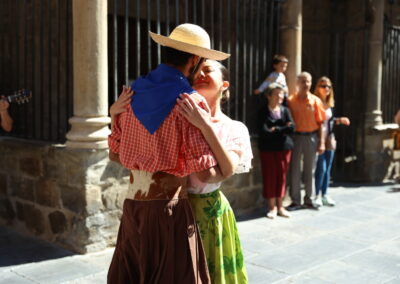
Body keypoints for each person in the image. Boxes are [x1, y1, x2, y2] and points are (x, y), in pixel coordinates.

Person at [107, 23, 230, 284]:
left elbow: (115, 155)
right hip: (168, 211)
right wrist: (225, 168)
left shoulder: (131, 92)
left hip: (132, 208)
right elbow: (206, 174)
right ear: (195, 59)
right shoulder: (189, 101)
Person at [176, 60, 252, 283]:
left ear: (224, 84)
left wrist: (205, 125)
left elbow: (221, 173)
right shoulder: (177, 118)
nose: (199, 74)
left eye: (207, 70)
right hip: (174, 209)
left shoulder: (234, 128)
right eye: (195, 71)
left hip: (210, 213)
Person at [286, 72, 326, 211]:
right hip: (296, 137)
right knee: (295, 169)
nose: (306, 84)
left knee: (310, 169)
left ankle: (309, 199)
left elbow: (321, 123)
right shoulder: (291, 101)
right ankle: (295, 200)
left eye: (308, 81)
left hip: (311, 137)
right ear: (297, 83)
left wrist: (321, 142)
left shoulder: (316, 101)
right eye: (303, 81)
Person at [257, 83, 294, 219]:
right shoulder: (262, 112)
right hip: (268, 149)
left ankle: (281, 206)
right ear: (268, 96)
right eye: (277, 93)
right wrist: (283, 127)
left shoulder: (285, 110)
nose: (280, 96)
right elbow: (264, 131)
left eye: (282, 93)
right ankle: (271, 207)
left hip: (284, 149)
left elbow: (292, 128)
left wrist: (276, 129)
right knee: (270, 177)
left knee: (282, 177)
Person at [313, 77, 350, 206]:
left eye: (329, 86)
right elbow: (319, 123)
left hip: (330, 138)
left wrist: (340, 120)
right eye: (323, 86)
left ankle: (325, 194)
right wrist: (321, 141)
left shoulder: (329, 103)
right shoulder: (315, 102)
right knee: (321, 168)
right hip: (318, 138)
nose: (326, 89)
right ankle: (316, 195)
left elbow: (330, 121)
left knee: (327, 168)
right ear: (317, 87)